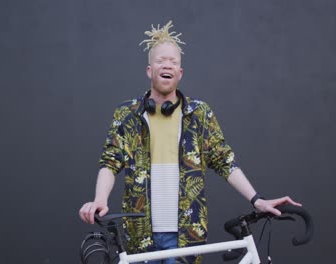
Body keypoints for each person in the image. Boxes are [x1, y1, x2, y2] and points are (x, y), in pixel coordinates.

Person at [79, 21, 301, 264]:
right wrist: (100, 199)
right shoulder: (127, 114)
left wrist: (257, 199)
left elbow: (224, 161)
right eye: (161, 60)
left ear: (180, 72)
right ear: (149, 70)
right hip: (139, 235)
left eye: (173, 61)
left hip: (187, 235)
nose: (167, 65)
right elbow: (110, 162)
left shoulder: (200, 114)